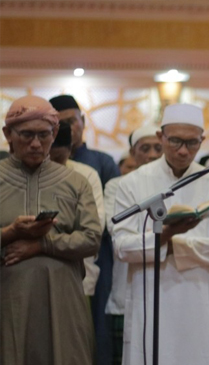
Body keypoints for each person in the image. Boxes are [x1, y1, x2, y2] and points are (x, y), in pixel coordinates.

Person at [113, 104, 209, 364]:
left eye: (192, 143)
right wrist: (164, 237)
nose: (184, 150)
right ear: (161, 138)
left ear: (202, 140)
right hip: (149, 297)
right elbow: (122, 247)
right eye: (176, 141)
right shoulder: (132, 183)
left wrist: (172, 245)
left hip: (200, 298)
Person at [0, 95, 101, 364]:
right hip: (8, 298)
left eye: (44, 135)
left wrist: (43, 245)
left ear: (55, 133)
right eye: (26, 135)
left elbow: (92, 239)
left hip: (62, 300)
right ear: (8, 133)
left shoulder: (75, 181)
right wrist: (10, 232)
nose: (36, 143)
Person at [50, 93, 121, 364]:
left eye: (74, 120)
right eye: (62, 123)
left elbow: (105, 218)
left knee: (95, 329)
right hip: (52, 259)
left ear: (83, 121)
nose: (72, 127)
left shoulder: (101, 163)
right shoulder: (35, 166)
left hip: (97, 256)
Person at [104, 123, 162, 365]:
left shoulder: (173, 183)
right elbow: (117, 231)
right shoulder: (117, 186)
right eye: (144, 148)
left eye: (157, 148)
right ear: (132, 152)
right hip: (125, 287)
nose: (150, 154)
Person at [49, 121, 105, 297]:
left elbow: (93, 231)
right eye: (47, 158)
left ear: (70, 151)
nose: (52, 165)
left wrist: (41, 244)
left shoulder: (85, 175)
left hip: (79, 275)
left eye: (58, 159)